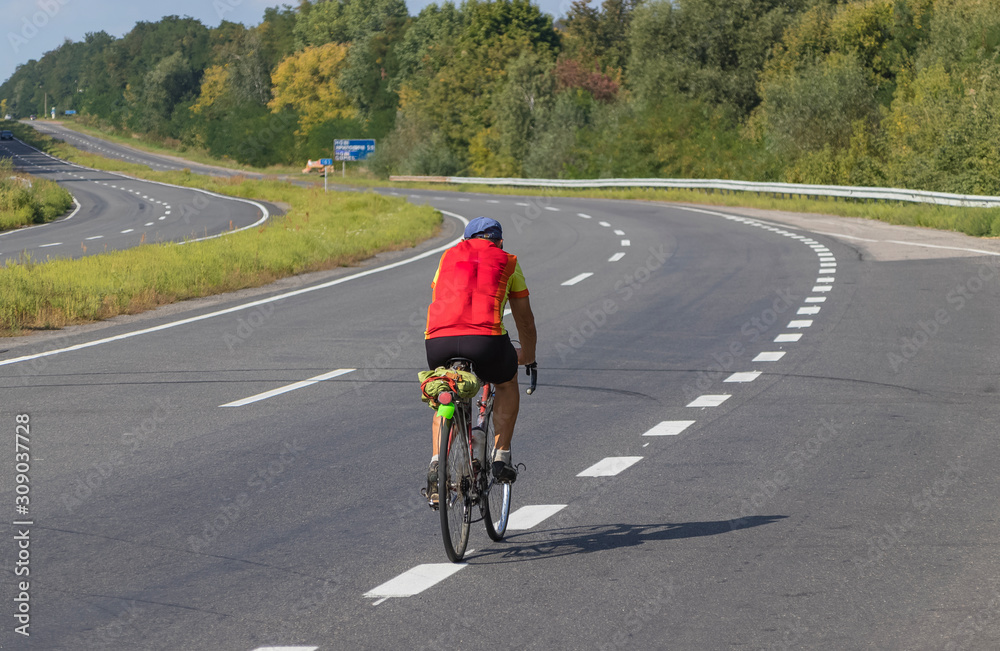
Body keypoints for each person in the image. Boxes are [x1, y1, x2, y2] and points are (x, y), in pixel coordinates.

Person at [423, 216, 537, 502]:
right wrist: (528, 356)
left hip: (438, 342)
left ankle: (437, 461)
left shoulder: (448, 256)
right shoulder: (508, 260)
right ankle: (501, 456)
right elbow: (524, 319)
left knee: (445, 392)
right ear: (499, 242)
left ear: (465, 241)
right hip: (485, 342)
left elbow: (439, 296)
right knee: (506, 380)